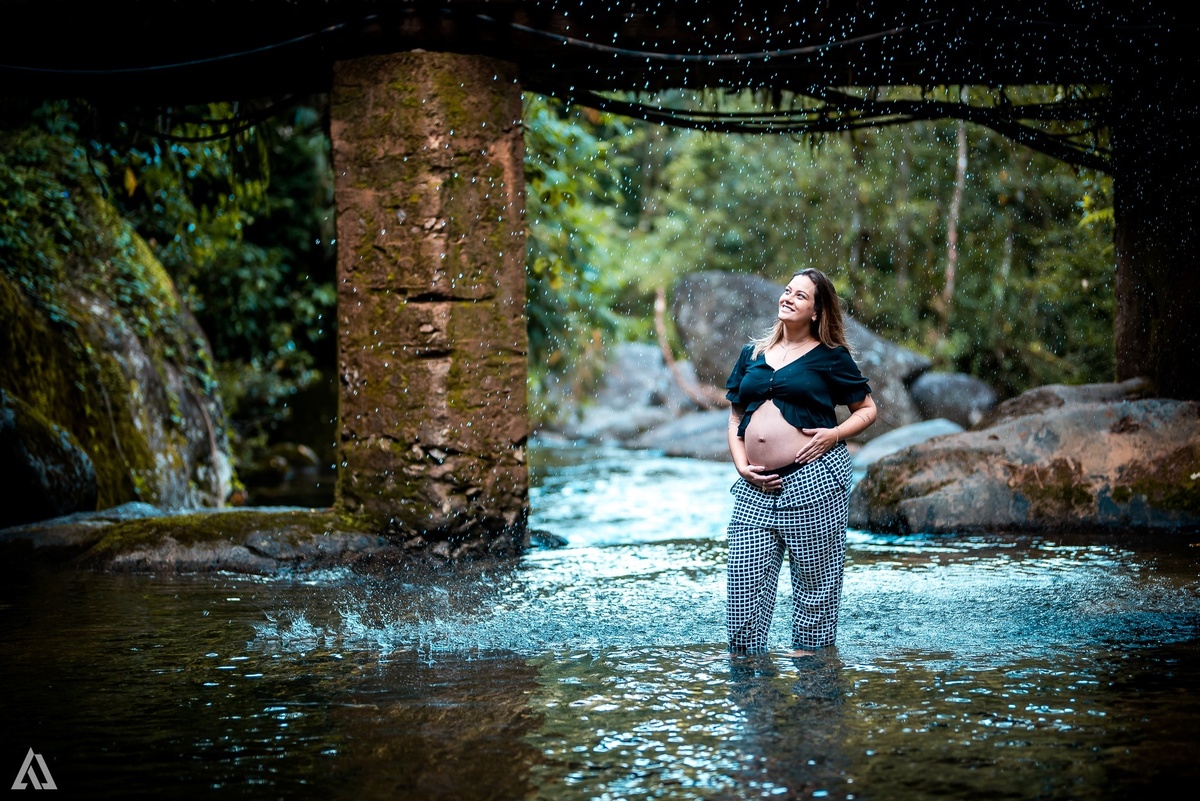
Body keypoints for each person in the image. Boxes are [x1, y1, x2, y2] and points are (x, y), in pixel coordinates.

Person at [723, 268, 877, 655]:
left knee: (814, 593)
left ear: (816, 311)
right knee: (742, 601)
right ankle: (754, 695)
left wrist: (834, 435)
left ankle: (814, 695)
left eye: (800, 295)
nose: (787, 297)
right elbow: (736, 417)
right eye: (787, 290)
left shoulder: (830, 358)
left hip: (814, 479)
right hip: (754, 488)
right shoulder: (752, 354)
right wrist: (742, 464)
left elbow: (867, 410)